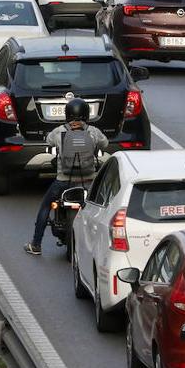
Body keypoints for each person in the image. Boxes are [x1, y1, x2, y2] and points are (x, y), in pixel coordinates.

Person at [25, 99, 109, 256]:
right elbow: (105, 144)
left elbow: (48, 140)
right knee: (103, 208)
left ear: (67, 114)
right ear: (86, 114)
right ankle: (104, 247)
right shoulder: (93, 131)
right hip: (89, 181)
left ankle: (36, 244)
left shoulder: (59, 132)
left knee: (45, 206)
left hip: (63, 180)